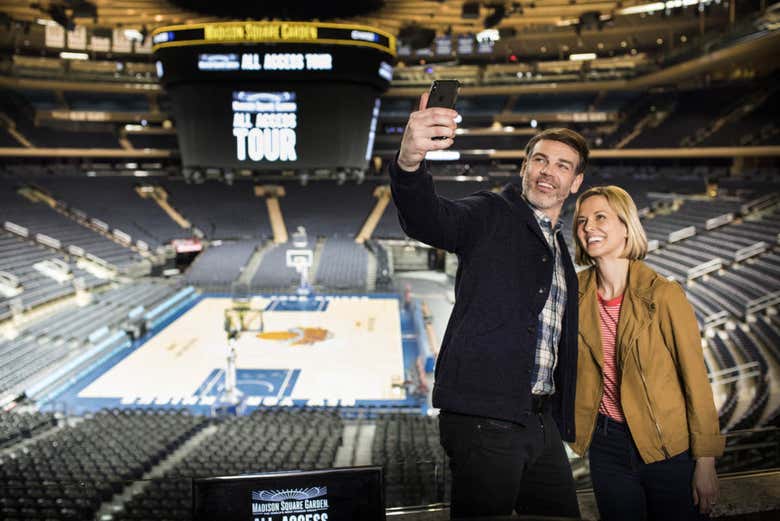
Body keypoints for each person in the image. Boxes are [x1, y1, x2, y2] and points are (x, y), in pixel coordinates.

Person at [390, 90, 587, 519]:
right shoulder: (490, 213)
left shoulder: (559, 248)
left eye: (562, 165)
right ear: (524, 167)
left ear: (576, 183)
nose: (547, 172)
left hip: (538, 420)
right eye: (539, 160)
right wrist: (410, 161)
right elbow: (427, 217)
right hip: (485, 419)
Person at [569, 185, 725, 520]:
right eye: (581, 221)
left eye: (600, 217)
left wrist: (706, 463)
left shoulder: (665, 295)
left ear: (626, 226)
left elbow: (696, 381)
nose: (588, 227)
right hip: (605, 444)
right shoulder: (574, 294)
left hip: (667, 446)